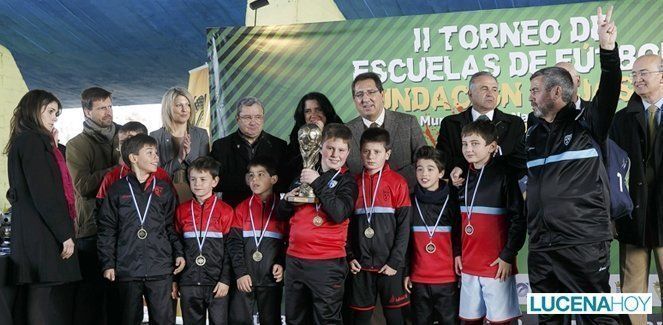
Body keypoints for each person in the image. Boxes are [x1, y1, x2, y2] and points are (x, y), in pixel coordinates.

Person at [525, 6, 620, 324]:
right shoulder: (532, 132)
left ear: (556, 91)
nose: (531, 97)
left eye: (536, 91)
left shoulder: (590, 120)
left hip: (583, 243)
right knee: (550, 320)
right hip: (541, 247)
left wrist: (607, 51)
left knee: (596, 318)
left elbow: (611, 86)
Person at [6, 90, 81, 325]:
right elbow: (45, 193)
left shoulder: (29, 141)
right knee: (44, 297)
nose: (53, 118)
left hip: (35, 233)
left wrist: (54, 148)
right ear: (34, 110)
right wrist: (65, 234)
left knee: (42, 297)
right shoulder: (32, 141)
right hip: (42, 235)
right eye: (50, 112)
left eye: (56, 114)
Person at [97, 134, 185, 325]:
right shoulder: (117, 190)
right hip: (127, 268)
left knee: (163, 320)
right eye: (150, 152)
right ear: (133, 158)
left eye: (156, 152)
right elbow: (107, 229)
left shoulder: (164, 188)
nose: (156, 157)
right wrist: (108, 263)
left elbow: (171, 225)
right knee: (128, 319)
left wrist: (178, 253)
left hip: (160, 268)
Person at [277, 123, 358, 324]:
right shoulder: (303, 176)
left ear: (348, 153)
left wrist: (317, 182)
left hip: (327, 263)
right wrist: (287, 200)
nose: (335, 154)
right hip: (295, 260)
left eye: (341, 150)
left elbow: (339, 213)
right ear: (320, 147)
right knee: (295, 319)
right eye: (330, 148)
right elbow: (280, 214)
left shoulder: (347, 182)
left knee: (326, 320)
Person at [610, 53, 663, 325]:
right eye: (634, 74)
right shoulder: (620, 120)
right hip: (632, 219)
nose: (637, 79)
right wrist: (613, 215)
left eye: (644, 73)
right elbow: (610, 173)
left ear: (662, 75)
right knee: (631, 294)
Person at [456, 120, 524, 324]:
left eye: (475, 143)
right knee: (470, 320)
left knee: (500, 321)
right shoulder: (460, 176)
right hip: (468, 264)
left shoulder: (504, 175)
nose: (469, 149)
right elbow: (455, 222)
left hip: (496, 264)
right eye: (465, 143)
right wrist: (457, 252)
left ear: (492, 147)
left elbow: (518, 219)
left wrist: (507, 255)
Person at [66, 86, 120, 324]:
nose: (108, 112)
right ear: (87, 112)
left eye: (109, 106)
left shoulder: (124, 135)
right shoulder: (77, 145)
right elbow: (82, 186)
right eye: (101, 108)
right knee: (93, 295)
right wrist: (118, 169)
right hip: (92, 229)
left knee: (120, 296)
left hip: (123, 226)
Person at [347, 127, 411, 324]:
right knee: (360, 318)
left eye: (377, 152)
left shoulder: (398, 183)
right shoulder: (352, 184)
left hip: (390, 267)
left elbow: (404, 227)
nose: (371, 156)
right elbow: (346, 227)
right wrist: (350, 256)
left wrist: (395, 262)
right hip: (361, 267)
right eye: (366, 151)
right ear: (360, 152)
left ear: (387, 153)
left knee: (395, 317)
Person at [436, 71, 526, 184]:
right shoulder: (450, 123)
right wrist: (461, 168)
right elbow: (442, 160)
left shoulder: (514, 123)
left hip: (503, 191)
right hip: (463, 189)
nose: (490, 94)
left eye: (494, 89)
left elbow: (519, 160)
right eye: (484, 89)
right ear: (470, 94)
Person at [403, 146, 460, 325]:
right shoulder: (410, 200)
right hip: (418, 280)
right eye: (419, 169)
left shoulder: (453, 199)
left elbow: (460, 236)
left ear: (441, 172)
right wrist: (406, 272)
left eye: (430, 169)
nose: (424, 174)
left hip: (448, 279)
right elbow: (405, 242)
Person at [173, 157, 233, 325]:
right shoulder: (181, 211)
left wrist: (225, 280)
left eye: (203, 179)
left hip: (217, 283)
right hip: (189, 283)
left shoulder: (226, 211)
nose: (197, 184)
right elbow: (176, 247)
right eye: (193, 179)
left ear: (215, 181)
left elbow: (230, 249)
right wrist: (176, 281)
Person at [227, 157, 287, 325]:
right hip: (244, 279)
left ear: (273, 179)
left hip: (270, 280)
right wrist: (240, 273)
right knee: (238, 320)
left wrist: (282, 264)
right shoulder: (241, 208)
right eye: (251, 175)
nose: (255, 179)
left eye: (261, 174)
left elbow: (289, 242)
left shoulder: (283, 209)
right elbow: (234, 243)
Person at [346, 72, 426, 189]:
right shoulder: (346, 131)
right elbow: (342, 170)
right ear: (354, 100)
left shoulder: (408, 123)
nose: (365, 99)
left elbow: (423, 161)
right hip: (361, 201)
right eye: (359, 94)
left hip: (406, 196)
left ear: (382, 94)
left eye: (371, 92)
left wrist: (391, 183)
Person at [210, 97, 287, 207]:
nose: (253, 122)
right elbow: (214, 182)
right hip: (235, 211)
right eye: (247, 117)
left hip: (270, 212)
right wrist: (244, 181)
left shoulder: (279, 146)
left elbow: (285, 181)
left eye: (258, 117)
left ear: (263, 118)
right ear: (237, 119)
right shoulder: (221, 146)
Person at [151, 87, 210, 202]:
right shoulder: (155, 136)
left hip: (196, 197)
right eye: (179, 105)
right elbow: (156, 175)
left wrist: (187, 155)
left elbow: (205, 171)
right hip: (164, 196)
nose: (185, 110)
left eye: (188, 105)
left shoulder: (201, 134)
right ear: (168, 108)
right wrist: (179, 158)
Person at [96, 121, 173, 200]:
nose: (127, 146)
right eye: (122, 142)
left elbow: (171, 207)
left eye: (134, 141)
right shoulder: (111, 177)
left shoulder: (161, 176)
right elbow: (101, 209)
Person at [283, 92, 343, 187]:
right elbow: (291, 168)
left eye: (318, 110)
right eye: (308, 111)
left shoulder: (340, 131)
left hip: (332, 186)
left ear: (326, 111)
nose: (313, 115)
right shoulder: (297, 134)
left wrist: (322, 134)